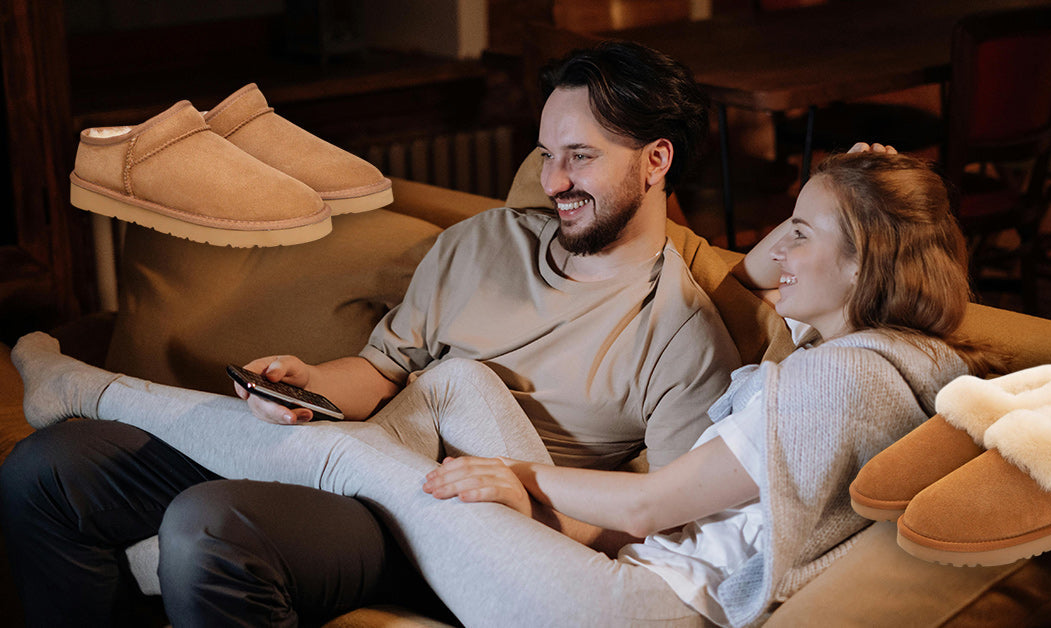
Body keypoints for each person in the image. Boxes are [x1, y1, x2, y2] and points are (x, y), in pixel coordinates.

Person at [8, 148, 996, 627]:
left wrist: (514, 480)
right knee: (458, 376)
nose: (777, 249)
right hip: (632, 567)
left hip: (634, 609)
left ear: (864, 267)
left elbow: (651, 503)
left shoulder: (841, 379)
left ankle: (85, 391)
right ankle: (295, 465)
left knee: (359, 460)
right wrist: (848, 185)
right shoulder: (859, 361)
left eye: (803, 232)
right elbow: (753, 276)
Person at [0, 41, 741, 627]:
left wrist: (534, 507)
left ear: (656, 160)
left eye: (580, 156)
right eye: (547, 154)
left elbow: (666, 529)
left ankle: (91, 390)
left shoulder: (683, 340)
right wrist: (310, 384)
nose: (553, 182)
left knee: (210, 527)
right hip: (365, 443)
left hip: (444, 521)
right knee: (50, 467)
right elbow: (382, 370)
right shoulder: (484, 243)